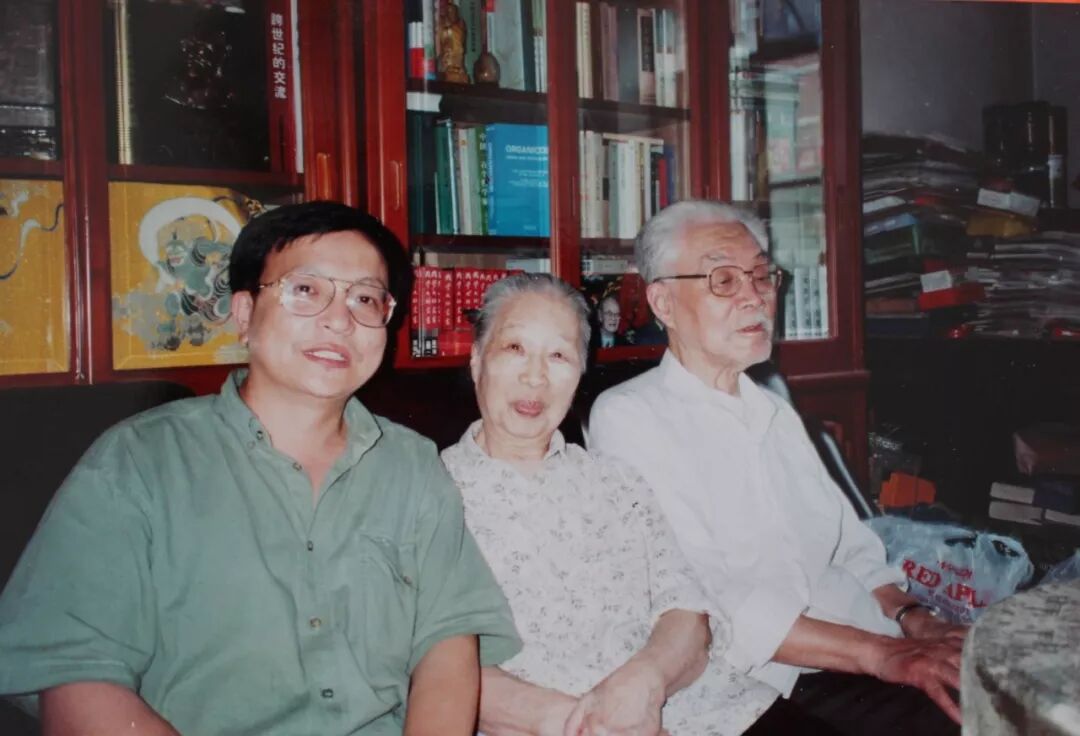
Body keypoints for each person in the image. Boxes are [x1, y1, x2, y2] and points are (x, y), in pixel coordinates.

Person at [0, 201, 520, 735]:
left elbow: (447, 641)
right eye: (306, 290)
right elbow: (76, 677)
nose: (339, 319)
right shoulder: (138, 460)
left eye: (365, 298)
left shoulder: (410, 462)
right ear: (245, 314)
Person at [588, 200, 967, 736]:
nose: (754, 296)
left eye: (762, 275)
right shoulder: (630, 417)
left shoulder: (771, 407)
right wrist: (885, 655)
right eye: (724, 279)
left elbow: (850, 548)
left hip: (864, 644)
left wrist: (915, 619)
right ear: (663, 302)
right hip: (774, 677)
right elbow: (712, 600)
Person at [441, 273, 777, 736]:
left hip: (710, 709)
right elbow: (427, 663)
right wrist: (586, 724)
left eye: (559, 356)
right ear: (477, 359)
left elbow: (687, 612)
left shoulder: (616, 481)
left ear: (580, 372)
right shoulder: (431, 496)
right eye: (515, 348)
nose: (535, 377)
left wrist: (647, 682)